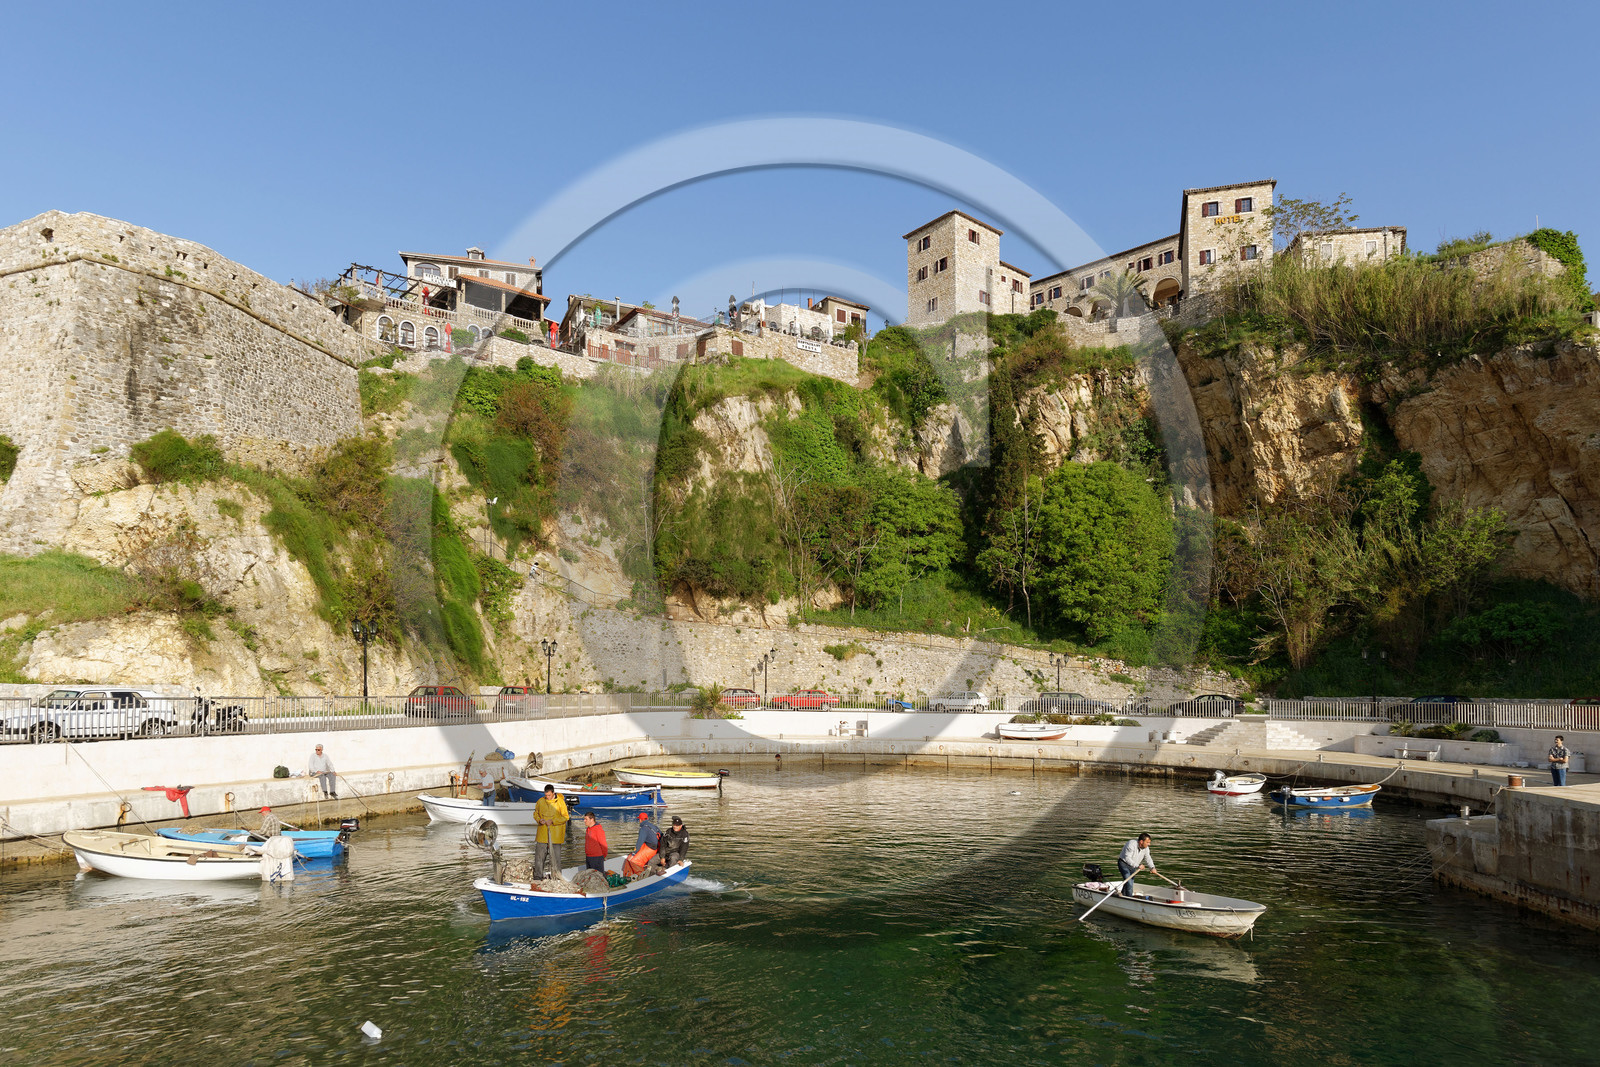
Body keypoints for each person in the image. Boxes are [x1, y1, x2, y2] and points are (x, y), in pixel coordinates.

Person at [533, 785, 569, 879]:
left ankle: (557, 877)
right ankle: (537, 877)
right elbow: (535, 813)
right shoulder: (540, 801)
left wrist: (553, 821)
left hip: (556, 836)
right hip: (542, 834)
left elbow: (565, 817)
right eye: (546, 795)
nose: (547, 797)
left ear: (553, 793)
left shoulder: (560, 802)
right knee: (539, 857)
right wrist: (539, 820)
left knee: (556, 859)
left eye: (549, 795)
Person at [1118, 833, 1157, 898]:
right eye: (1147, 842)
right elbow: (1127, 858)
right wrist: (1138, 865)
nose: (1149, 844)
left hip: (1133, 866)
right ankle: (1130, 900)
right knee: (1129, 883)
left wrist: (1152, 867)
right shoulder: (1131, 844)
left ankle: (1123, 896)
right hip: (1123, 864)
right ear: (1141, 841)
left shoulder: (1146, 848)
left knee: (1129, 883)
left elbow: (1148, 858)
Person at [622, 811, 660, 876]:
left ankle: (642, 876)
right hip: (656, 847)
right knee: (630, 858)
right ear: (647, 819)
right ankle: (631, 874)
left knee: (634, 861)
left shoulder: (643, 829)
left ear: (640, 820)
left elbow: (639, 842)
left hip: (651, 849)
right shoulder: (653, 826)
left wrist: (634, 854)